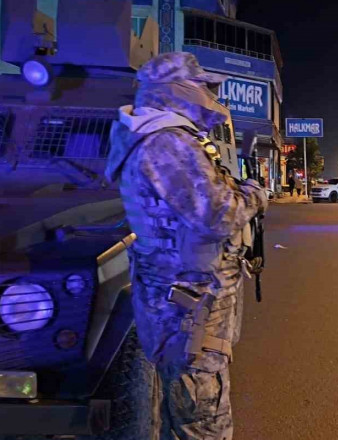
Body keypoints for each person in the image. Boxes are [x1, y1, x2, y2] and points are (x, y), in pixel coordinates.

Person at [105, 52, 268, 440]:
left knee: (183, 412)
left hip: (183, 301)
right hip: (187, 308)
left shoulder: (164, 137)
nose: (207, 94)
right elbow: (219, 215)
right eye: (200, 85)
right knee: (201, 419)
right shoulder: (166, 143)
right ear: (175, 90)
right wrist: (256, 195)